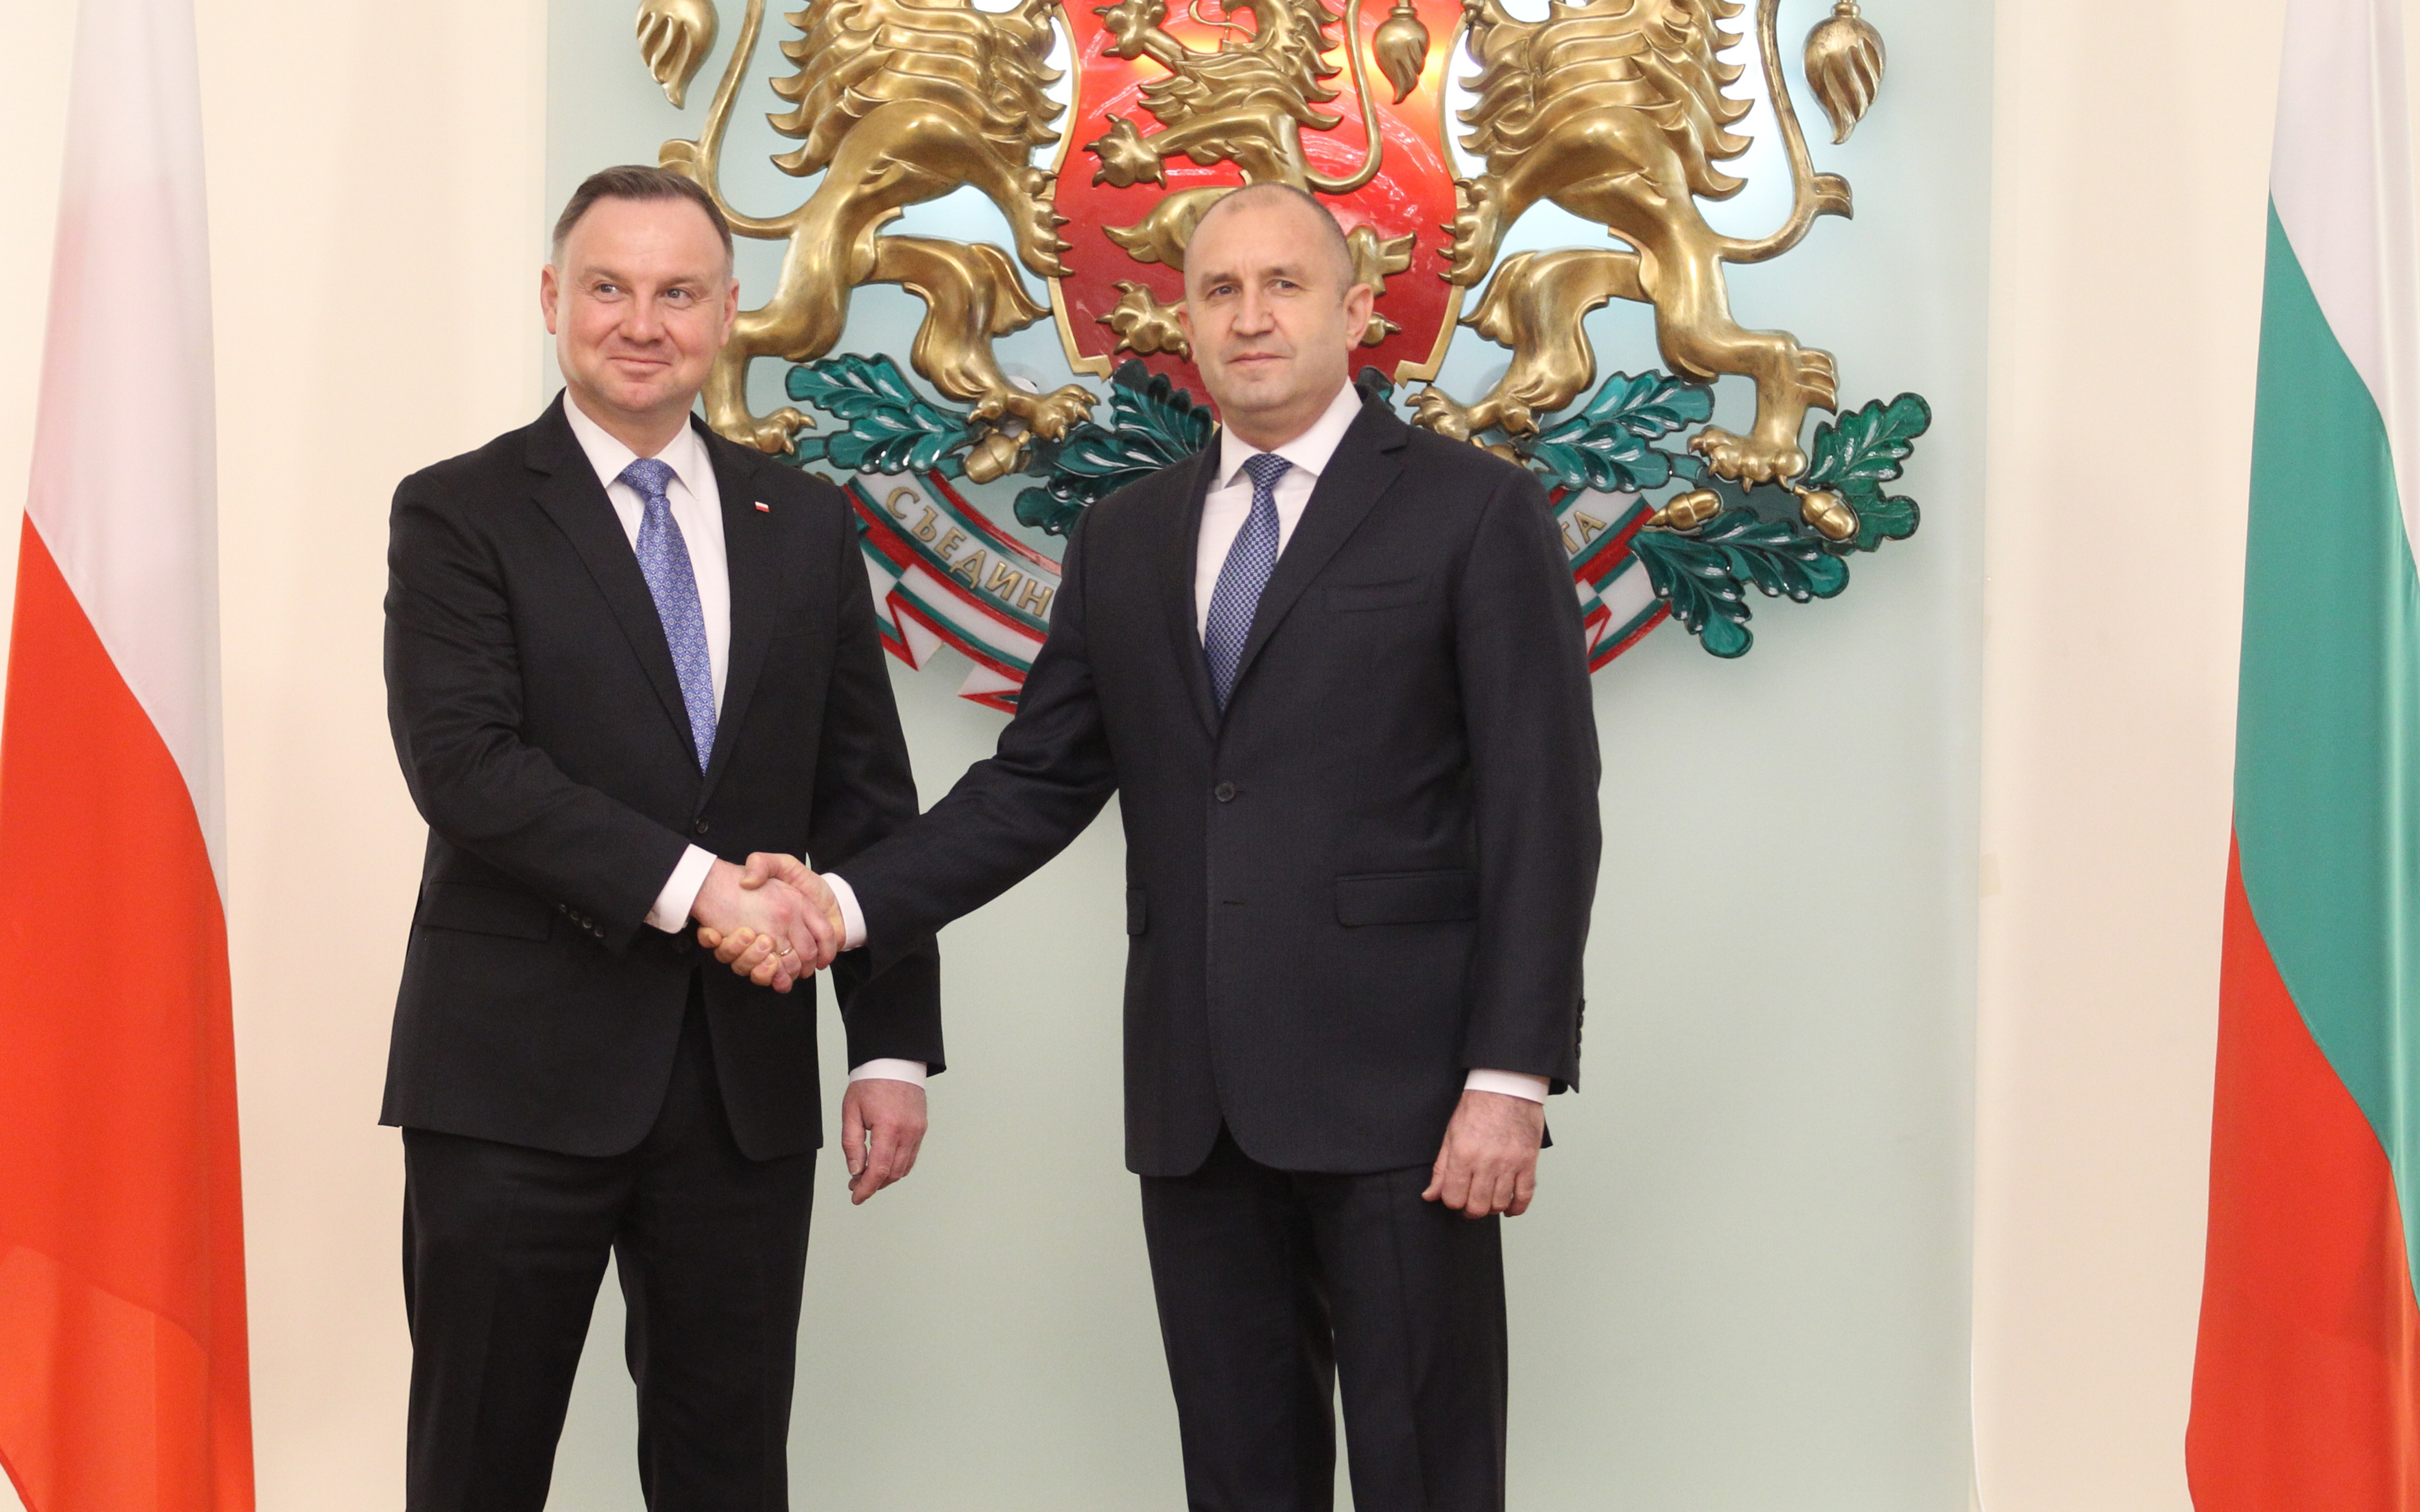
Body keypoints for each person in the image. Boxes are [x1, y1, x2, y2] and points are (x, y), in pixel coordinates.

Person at [711, 181, 1600, 1510]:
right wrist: (838, 905)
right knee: (1236, 1478)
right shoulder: (1125, 536)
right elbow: (1034, 783)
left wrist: (1509, 1076)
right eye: (1218, 290)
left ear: (1357, 308)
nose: (1250, 316)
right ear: (1181, 322)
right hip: (1196, 1102)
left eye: (1284, 284)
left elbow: (1545, 807)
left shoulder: (1473, 511)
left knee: (1427, 1473)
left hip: (1409, 1098)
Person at [380, 164, 932, 1510]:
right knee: (475, 1468)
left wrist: (888, 1044)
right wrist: (702, 891)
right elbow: (465, 767)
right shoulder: (456, 511)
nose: (642, 322)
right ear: (551, 300)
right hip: (510, 1082)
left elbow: (864, 795)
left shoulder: (804, 521)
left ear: (728, 312)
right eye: (609, 288)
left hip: (739, 1090)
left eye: (677, 292)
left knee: (728, 1473)